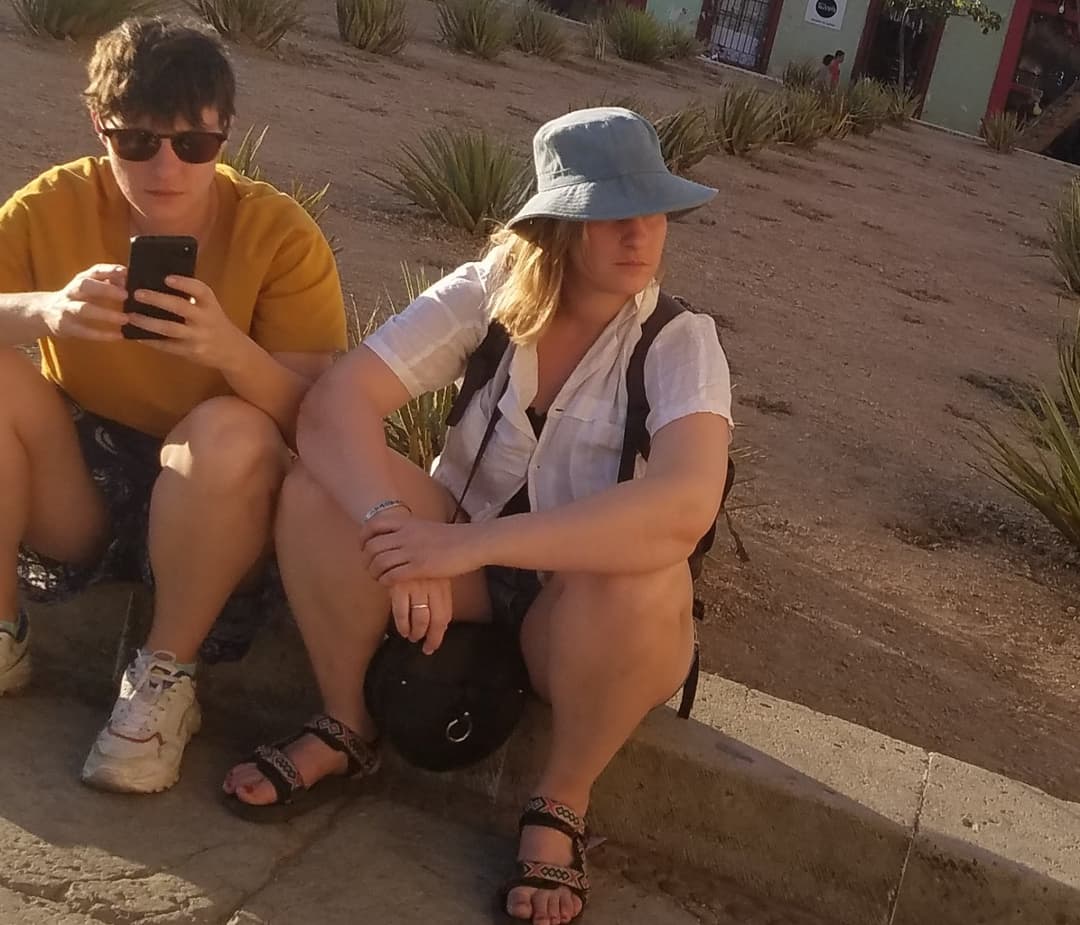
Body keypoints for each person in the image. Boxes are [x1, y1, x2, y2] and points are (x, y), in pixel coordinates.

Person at [223, 107, 733, 924]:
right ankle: (346, 721)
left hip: (582, 609)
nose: (640, 235)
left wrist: (460, 546)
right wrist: (395, 525)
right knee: (320, 485)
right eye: (610, 215)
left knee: (646, 570)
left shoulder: (680, 342)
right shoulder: (490, 291)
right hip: (457, 564)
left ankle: (560, 798)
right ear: (559, 227)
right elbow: (333, 408)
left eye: (653, 212)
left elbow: (683, 505)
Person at [0, 18, 346, 794]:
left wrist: (229, 351)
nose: (166, 166)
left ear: (226, 134)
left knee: (227, 428)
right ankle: (2, 631)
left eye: (193, 144)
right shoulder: (49, 204)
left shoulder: (279, 234)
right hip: (84, 478)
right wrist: (44, 311)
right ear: (99, 127)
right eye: (137, 142)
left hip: (219, 501)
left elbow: (315, 419)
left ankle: (162, 683)